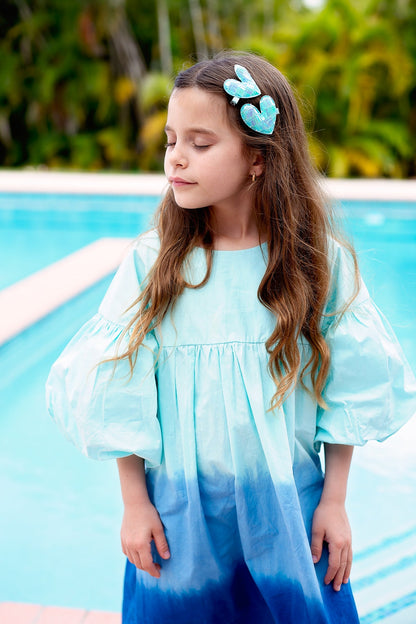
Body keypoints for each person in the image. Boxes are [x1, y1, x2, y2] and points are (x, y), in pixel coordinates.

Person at [46, 52, 416, 624]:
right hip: (181, 519)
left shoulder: (317, 266)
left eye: (200, 143)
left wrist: (335, 501)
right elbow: (119, 389)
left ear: (258, 158)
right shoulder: (152, 266)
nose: (176, 158)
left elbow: (348, 387)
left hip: (289, 512)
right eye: (172, 140)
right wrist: (134, 504)